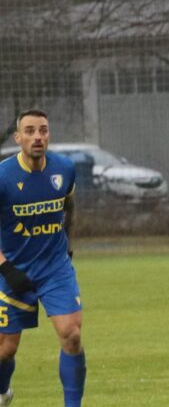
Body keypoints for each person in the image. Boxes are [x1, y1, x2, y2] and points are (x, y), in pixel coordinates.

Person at [0, 110, 86, 406]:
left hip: (55, 269)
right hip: (12, 270)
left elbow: (70, 209)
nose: (37, 137)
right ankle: (3, 391)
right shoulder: (3, 177)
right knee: (5, 349)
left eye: (43, 130)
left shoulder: (65, 169)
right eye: (30, 131)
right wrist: (6, 268)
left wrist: (68, 248)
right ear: (18, 137)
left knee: (72, 334)